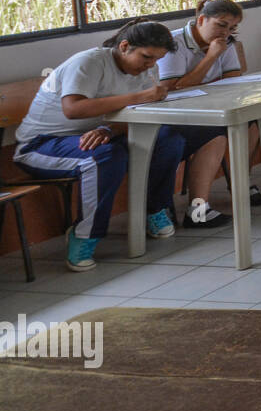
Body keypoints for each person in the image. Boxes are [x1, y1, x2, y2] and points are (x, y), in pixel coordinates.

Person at [13, 20, 186, 272]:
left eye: (155, 60)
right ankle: (85, 236)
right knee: (103, 157)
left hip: (98, 136)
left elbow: (140, 114)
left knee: (169, 139)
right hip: (41, 144)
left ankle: (154, 210)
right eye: (146, 57)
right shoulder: (89, 63)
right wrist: (140, 97)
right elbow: (72, 109)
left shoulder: (147, 72)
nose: (150, 65)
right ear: (124, 46)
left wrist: (109, 128)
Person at [157, 0, 261, 229]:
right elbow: (172, 88)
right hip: (173, 116)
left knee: (250, 122)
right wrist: (211, 57)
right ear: (201, 20)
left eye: (231, 28)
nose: (225, 32)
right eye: (221, 24)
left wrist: (197, 79)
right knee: (214, 136)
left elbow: (233, 79)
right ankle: (197, 210)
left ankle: (241, 184)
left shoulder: (223, 44)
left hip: (209, 108)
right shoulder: (174, 44)